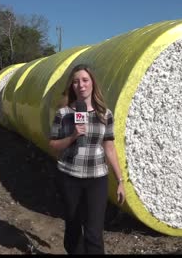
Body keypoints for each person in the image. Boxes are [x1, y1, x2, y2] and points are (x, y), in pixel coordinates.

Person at [48, 64, 125, 254]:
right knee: (73, 229)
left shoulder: (104, 114)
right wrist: (72, 136)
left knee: (94, 232)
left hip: (97, 179)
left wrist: (120, 180)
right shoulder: (63, 114)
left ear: (92, 83)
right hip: (69, 178)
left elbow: (109, 147)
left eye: (84, 80)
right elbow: (53, 145)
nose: (80, 85)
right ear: (71, 86)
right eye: (75, 81)